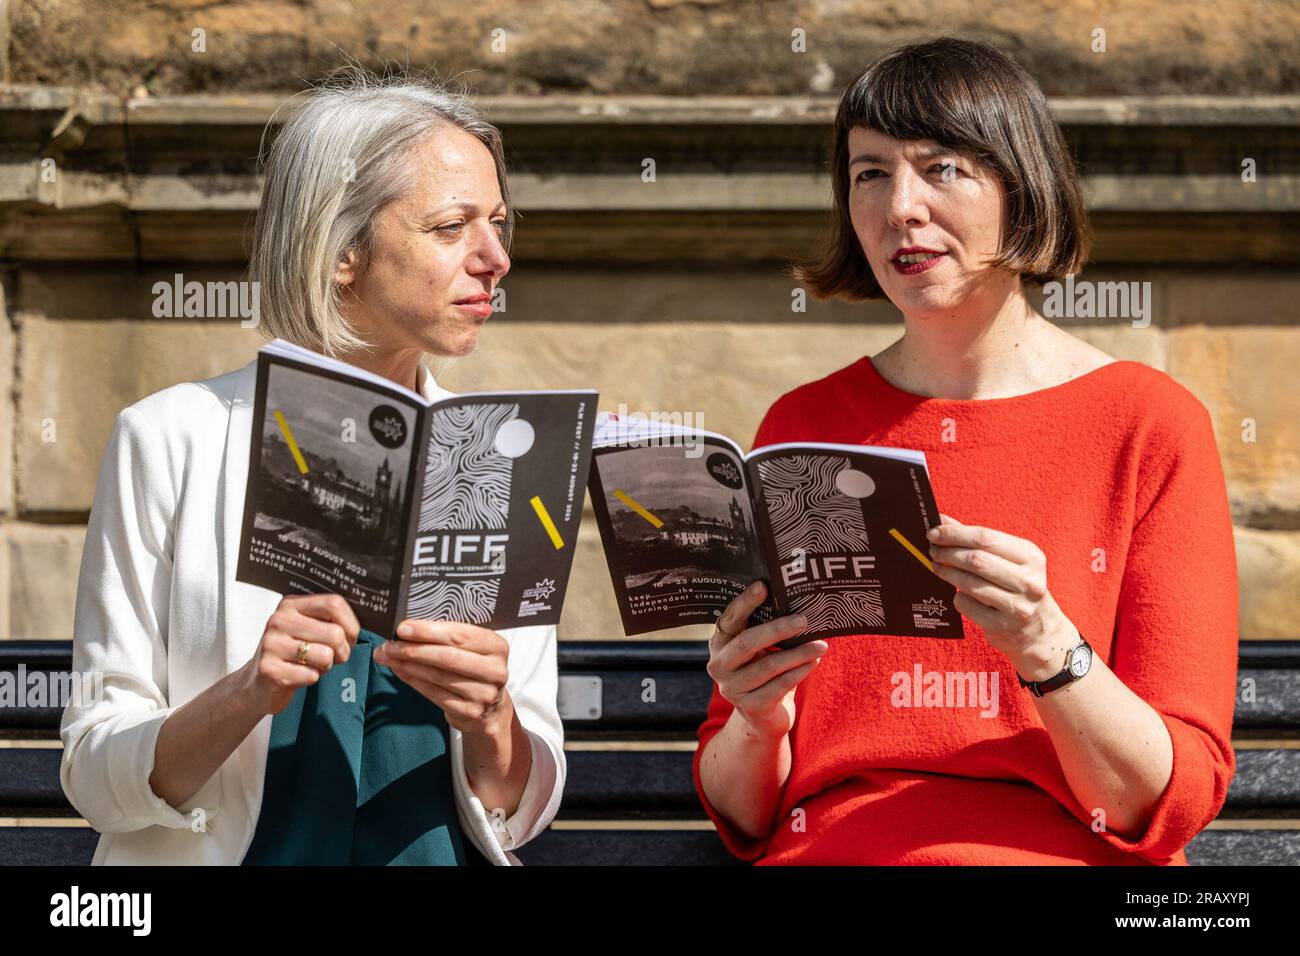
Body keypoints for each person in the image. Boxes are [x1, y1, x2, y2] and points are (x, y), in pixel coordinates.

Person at [693, 37, 1239, 865]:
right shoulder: (802, 425)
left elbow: (1162, 801)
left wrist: (1049, 649)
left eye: (942, 167)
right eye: (869, 173)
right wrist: (757, 716)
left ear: (1022, 189)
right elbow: (742, 814)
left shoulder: (1149, 424)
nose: (898, 208)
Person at [60, 67, 565, 865]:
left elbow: (521, 808)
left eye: (499, 223)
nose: (495, 257)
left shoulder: (504, 452)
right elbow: (94, 774)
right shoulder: (170, 438)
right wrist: (247, 692)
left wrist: (492, 722)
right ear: (342, 252)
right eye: (450, 227)